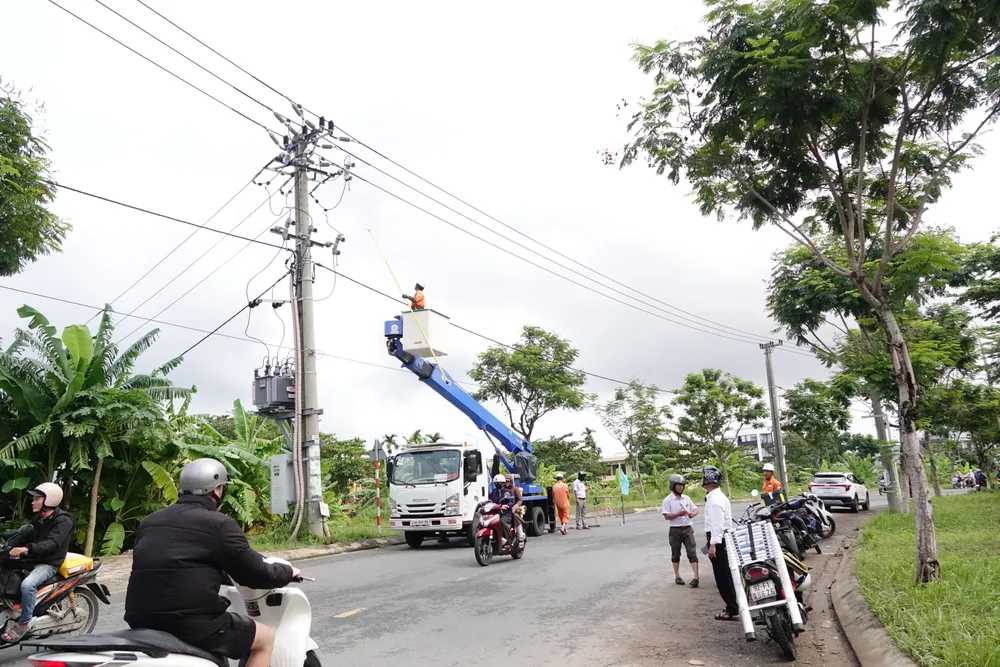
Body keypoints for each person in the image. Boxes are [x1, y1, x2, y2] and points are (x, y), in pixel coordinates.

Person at [125, 459, 300, 667]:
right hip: (191, 624)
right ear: (217, 490)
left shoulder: (150, 522)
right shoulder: (220, 524)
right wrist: (287, 572)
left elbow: (180, 564)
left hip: (140, 620)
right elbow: (255, 574)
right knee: (266, 639)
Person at [0, 483, 74, 643]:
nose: (33, 502)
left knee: (28, 585)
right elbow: (23, 535)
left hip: (49, 563)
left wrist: (25, 549)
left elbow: (51, 544)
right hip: (33, 559)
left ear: (49, 500)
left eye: (37, 498)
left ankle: (24, 623)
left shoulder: (63, 521)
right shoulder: (39, 520)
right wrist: (8, 545)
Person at [702, 466, 739, 622]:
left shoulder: (715, 500)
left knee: (722, 576)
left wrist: (712, 545)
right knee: (727, 575)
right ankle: (733, 606)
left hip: (719, 540)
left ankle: (732, 608)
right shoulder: (716, 497)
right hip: (720, 538)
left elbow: (717, 525)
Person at [661, 474, 700, 588]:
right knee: (676, 553)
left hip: (687, 528)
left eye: (682, 485)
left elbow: (695, 508)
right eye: (678, 485)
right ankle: (677, 575)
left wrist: (693, 513)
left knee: (692, 552)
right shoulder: (667, 500)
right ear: (673, 486)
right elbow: (666, 516)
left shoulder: (686, 498)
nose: (680, 487)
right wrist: (679, 514)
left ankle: (696, 577)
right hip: (675, 529)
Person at [488, 473, 515, 546]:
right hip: (495, 513)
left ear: (503, 483)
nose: (498, 485)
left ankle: (509, 542)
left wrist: (506, 506)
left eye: (499, 483)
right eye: (496, 483)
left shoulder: (508, 492)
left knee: (502, 522)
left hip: (506, 513)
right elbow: (489, 501)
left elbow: (512, 502)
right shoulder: (493, 493)